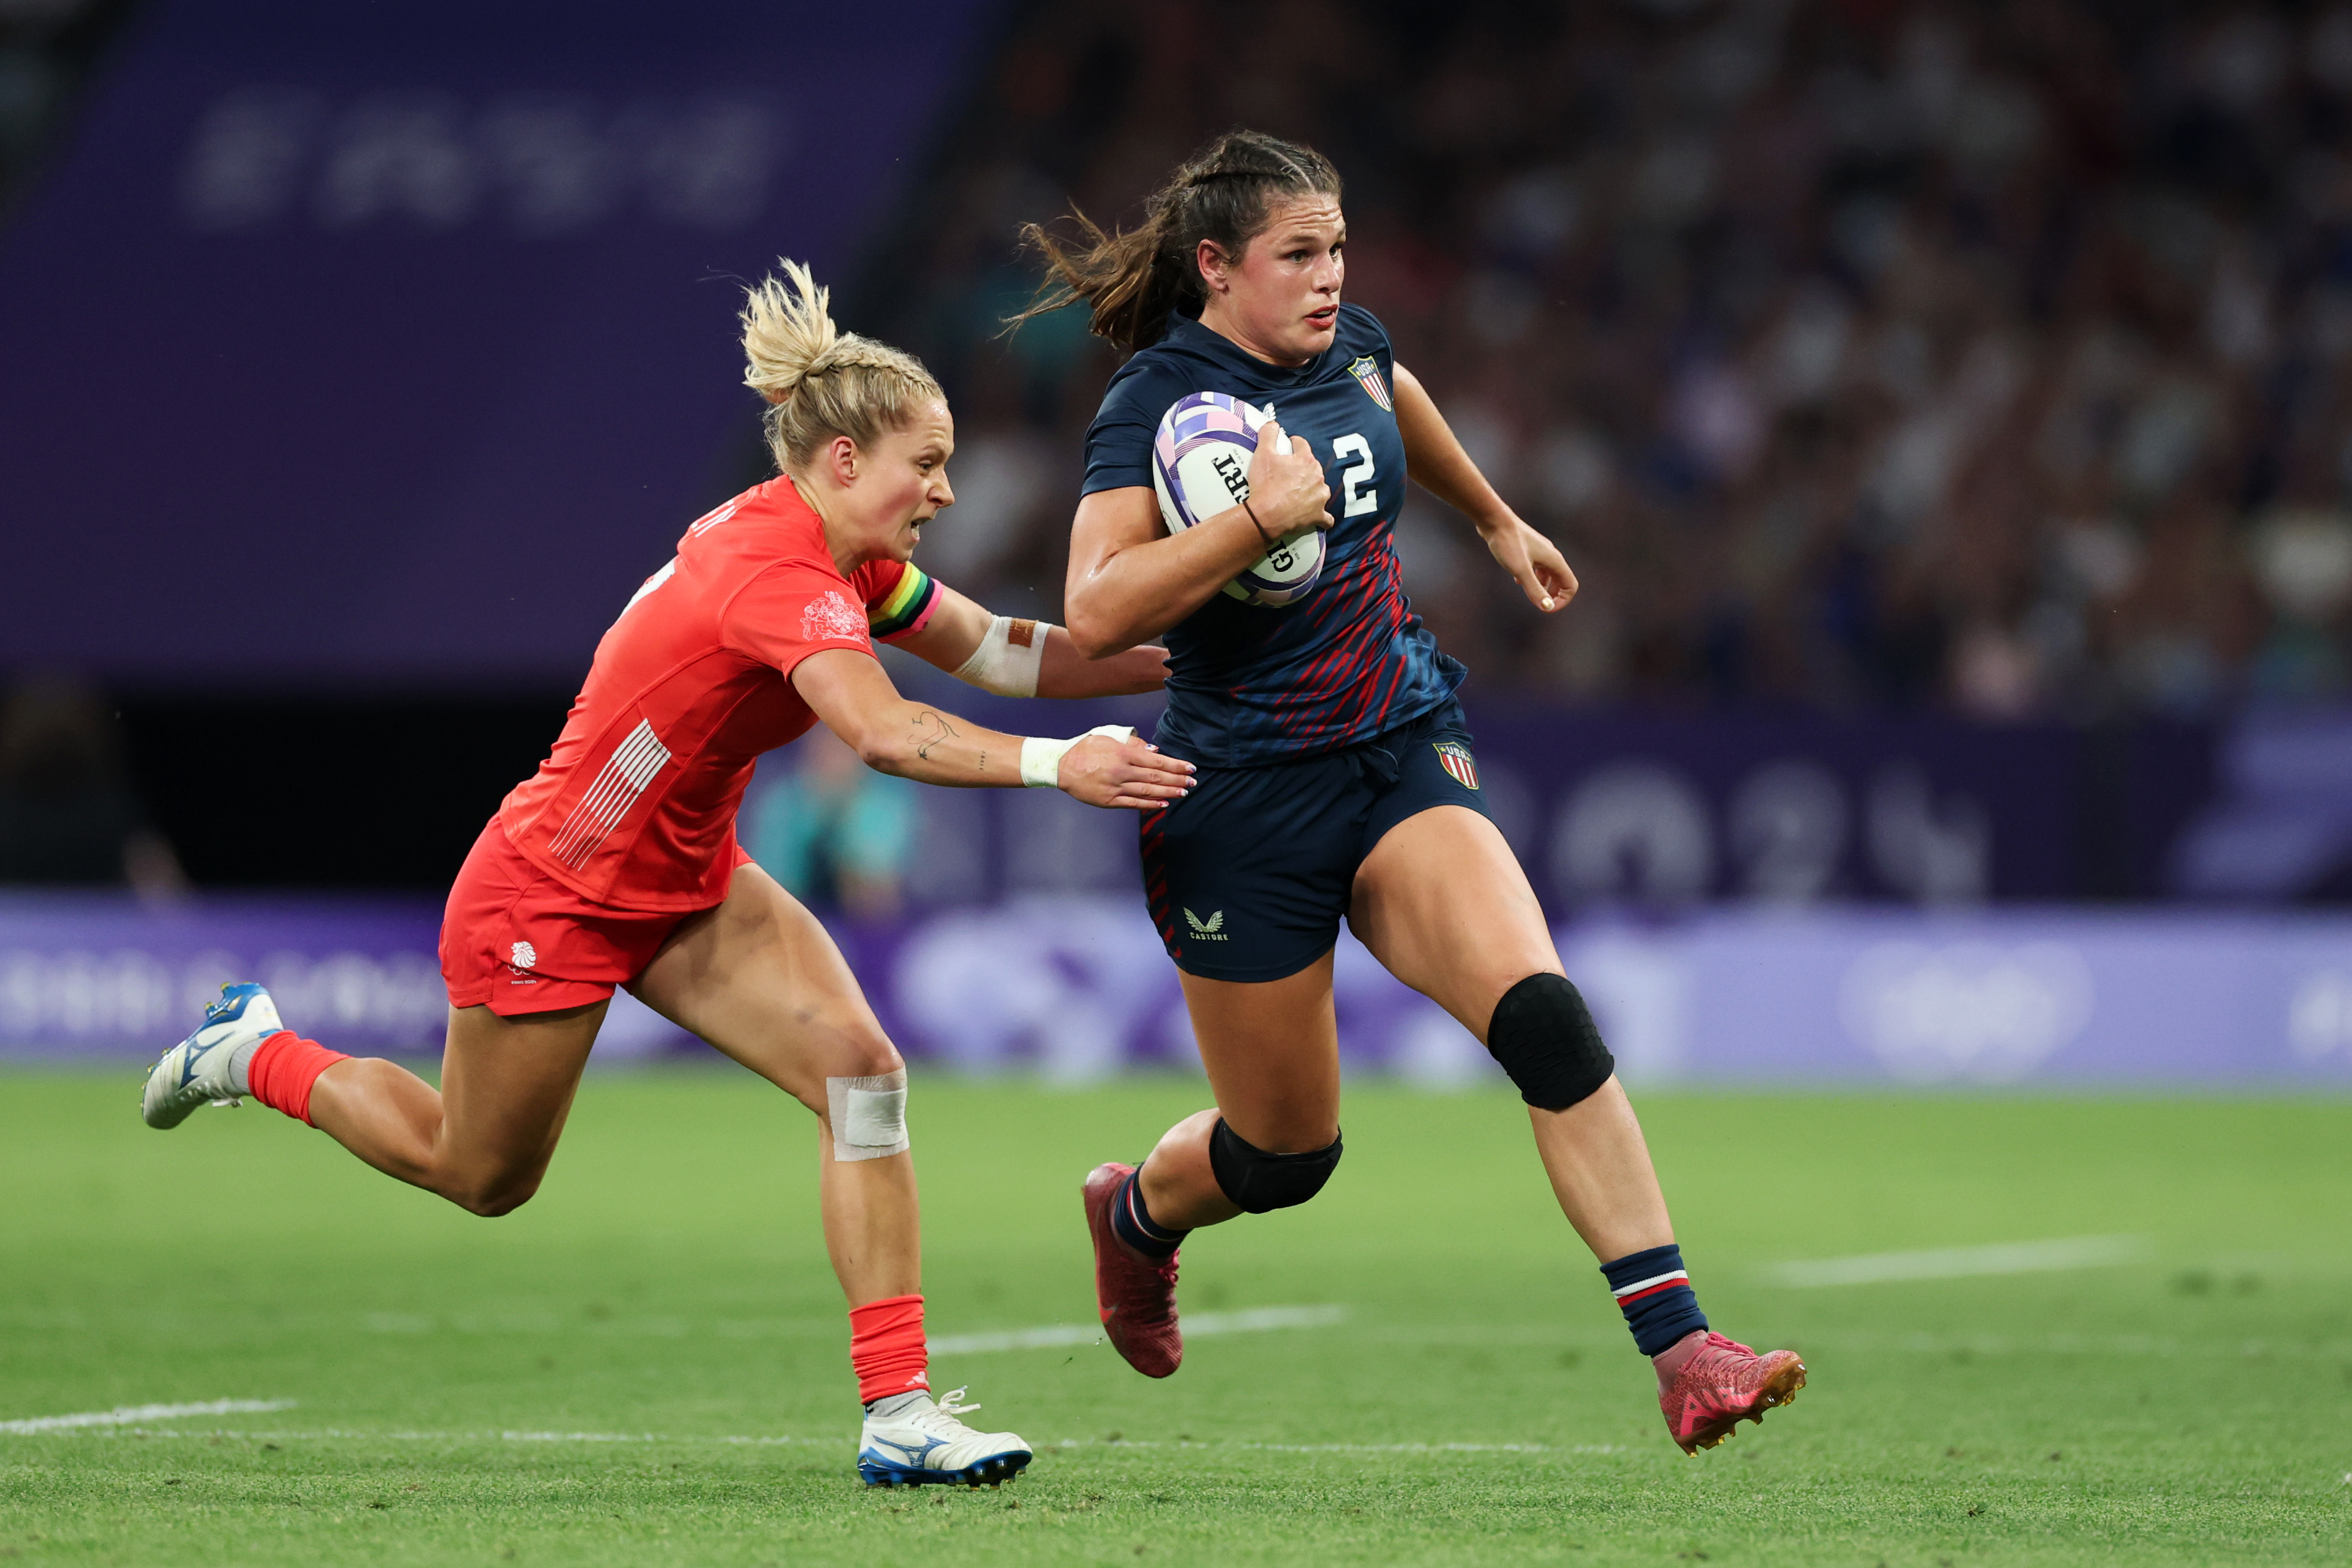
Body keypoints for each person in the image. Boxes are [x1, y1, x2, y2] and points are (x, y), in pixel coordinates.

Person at [139, 260, 1194, 1488]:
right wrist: (1063, 766)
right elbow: (885, 733)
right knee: (477, 1175)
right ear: (844, 461)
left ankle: (899, 1410)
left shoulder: (837, 554)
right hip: (553, 893)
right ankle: (251, 1051)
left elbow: (999, 652)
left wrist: (1186, 662)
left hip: (691, 884)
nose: (945, 490)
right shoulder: (776, 573)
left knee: (862, 1079)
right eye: (928, 462)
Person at [1016, 130, 1806, 1455]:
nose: (1330, 279)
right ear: (1216, 268)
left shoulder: (1351, 346)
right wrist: (1250, 526)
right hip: (1240, 803)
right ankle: (1136, 1216)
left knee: (1547, 1022)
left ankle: (1685, 1354)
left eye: (1337, 249)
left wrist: (1495, 518)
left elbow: (1395, 392)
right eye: (1298, 255)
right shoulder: (1156, 404)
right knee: (1286, 1157)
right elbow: (1093, 612)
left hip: (1395, 744)